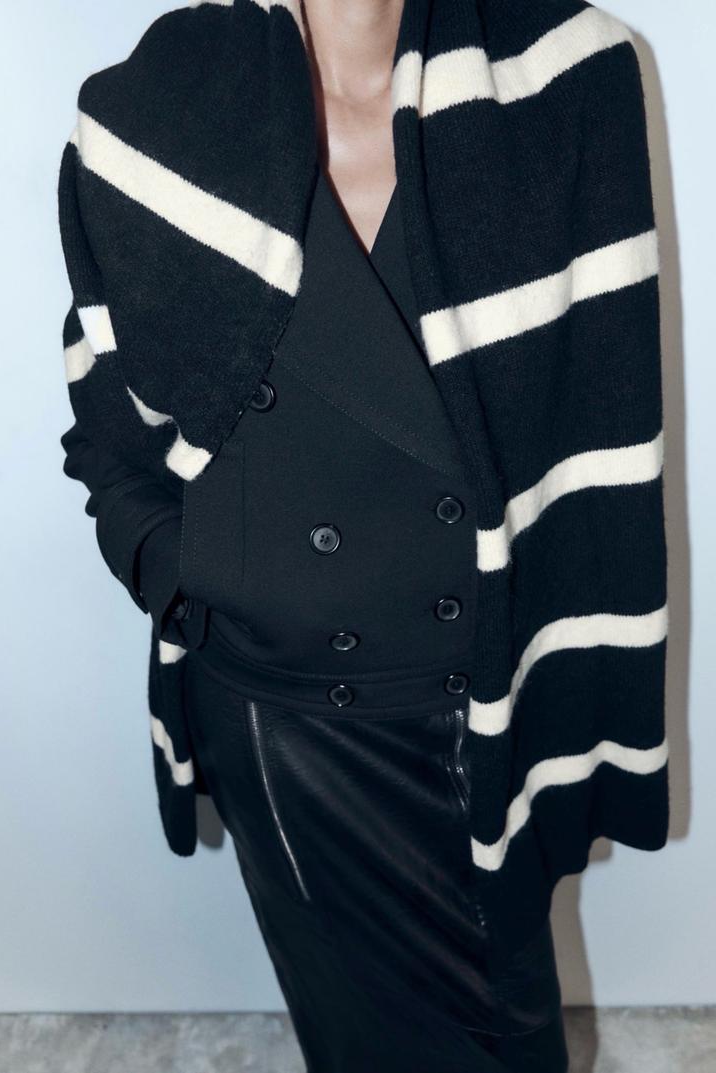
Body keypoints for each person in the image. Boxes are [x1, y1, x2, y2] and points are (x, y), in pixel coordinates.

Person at [57, 1, 669, 1070]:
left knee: (518, 1042)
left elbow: (606, 425)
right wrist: (188, 569)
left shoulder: (570, 79)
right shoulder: (156, 111)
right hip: (287, 721)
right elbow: (108, 429)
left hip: (482, 705)